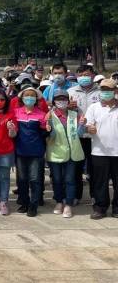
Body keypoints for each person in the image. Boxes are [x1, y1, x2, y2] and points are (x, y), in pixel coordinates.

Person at [45, 89, 84, 218]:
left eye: (64, 99)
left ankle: (68, 204)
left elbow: (78, 134)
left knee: (70, 180)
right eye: (58, 99)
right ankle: (59, 202)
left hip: (72, 153)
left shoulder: (74, 114)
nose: (61, 102)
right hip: (55, 152)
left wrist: (82, 125)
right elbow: (50, 135)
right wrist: (48, 126)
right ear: (54, 101)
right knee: (57, 180)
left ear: (68, 101)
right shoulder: (49, 115)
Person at [84, 78, 118, 220]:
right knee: (100, 182)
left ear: (115, 91)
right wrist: (90, 128)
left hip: (117, 152)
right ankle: (100, 208)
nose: (105, 93)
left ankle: (116, 208)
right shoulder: (94, 107)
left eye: (108, 90)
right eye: (103, 90)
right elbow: (88, 125)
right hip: (99, 151)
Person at [68, 64, 100, 203]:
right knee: (76, 167)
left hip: (96, 136)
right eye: (80, 75)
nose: (84, 78)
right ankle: (76, 195)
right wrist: (69, 108)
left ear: (93, 75)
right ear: (76, 77)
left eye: (86, 75)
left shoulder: (100, 92)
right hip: (78, 135)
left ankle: (95, 195)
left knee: (95, 169)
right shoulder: (71, 91)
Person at [13, 87, 48, 217]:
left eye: (32, 96)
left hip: (36, 151)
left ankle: (33, 205)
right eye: (26, 95)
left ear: (36, 99)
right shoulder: (16, 112)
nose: (29, 98)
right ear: (22, 98)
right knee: (22, 179)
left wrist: (47, 128)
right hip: (20, 151)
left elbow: (45, 133)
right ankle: (24, 203)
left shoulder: (42, 114)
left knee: (35, 179)